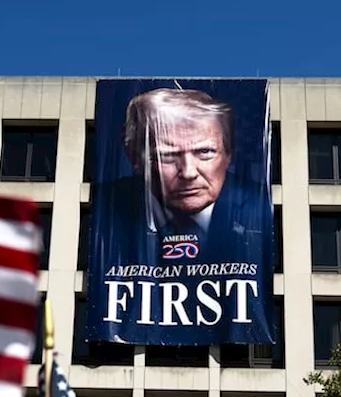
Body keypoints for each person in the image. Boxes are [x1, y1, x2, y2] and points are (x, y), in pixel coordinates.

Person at [94, 87, 266, 266]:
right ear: (135, 158)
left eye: (205, 152)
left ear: (228, 154)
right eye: (168, 155)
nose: (188, 173)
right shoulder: (100, 210)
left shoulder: (262, 209)